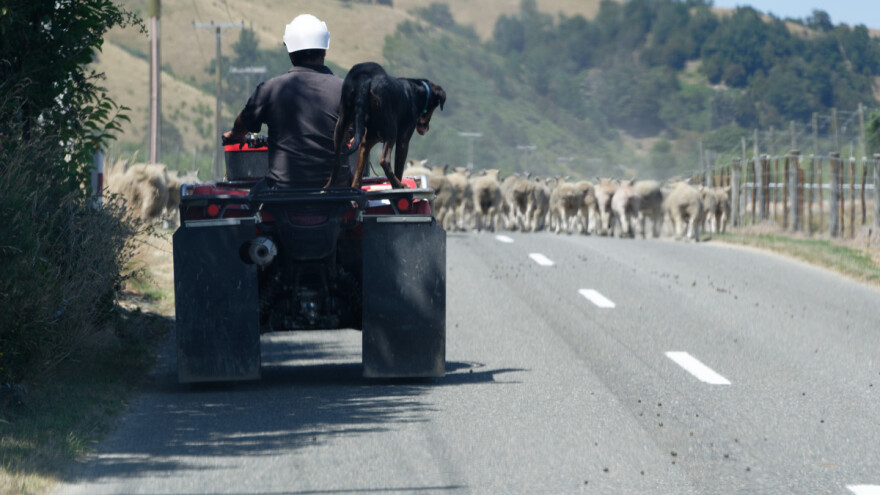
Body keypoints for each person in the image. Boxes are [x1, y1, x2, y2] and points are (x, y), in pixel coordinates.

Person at [223, 14, 350, 190]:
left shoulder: (270, 89)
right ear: (325, 50)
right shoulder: (346, 89)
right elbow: (357, 132)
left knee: (250, 201)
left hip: (282, 191)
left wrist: (235, 135)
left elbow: (242, 125)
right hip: (337, 191)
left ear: (290, 53)